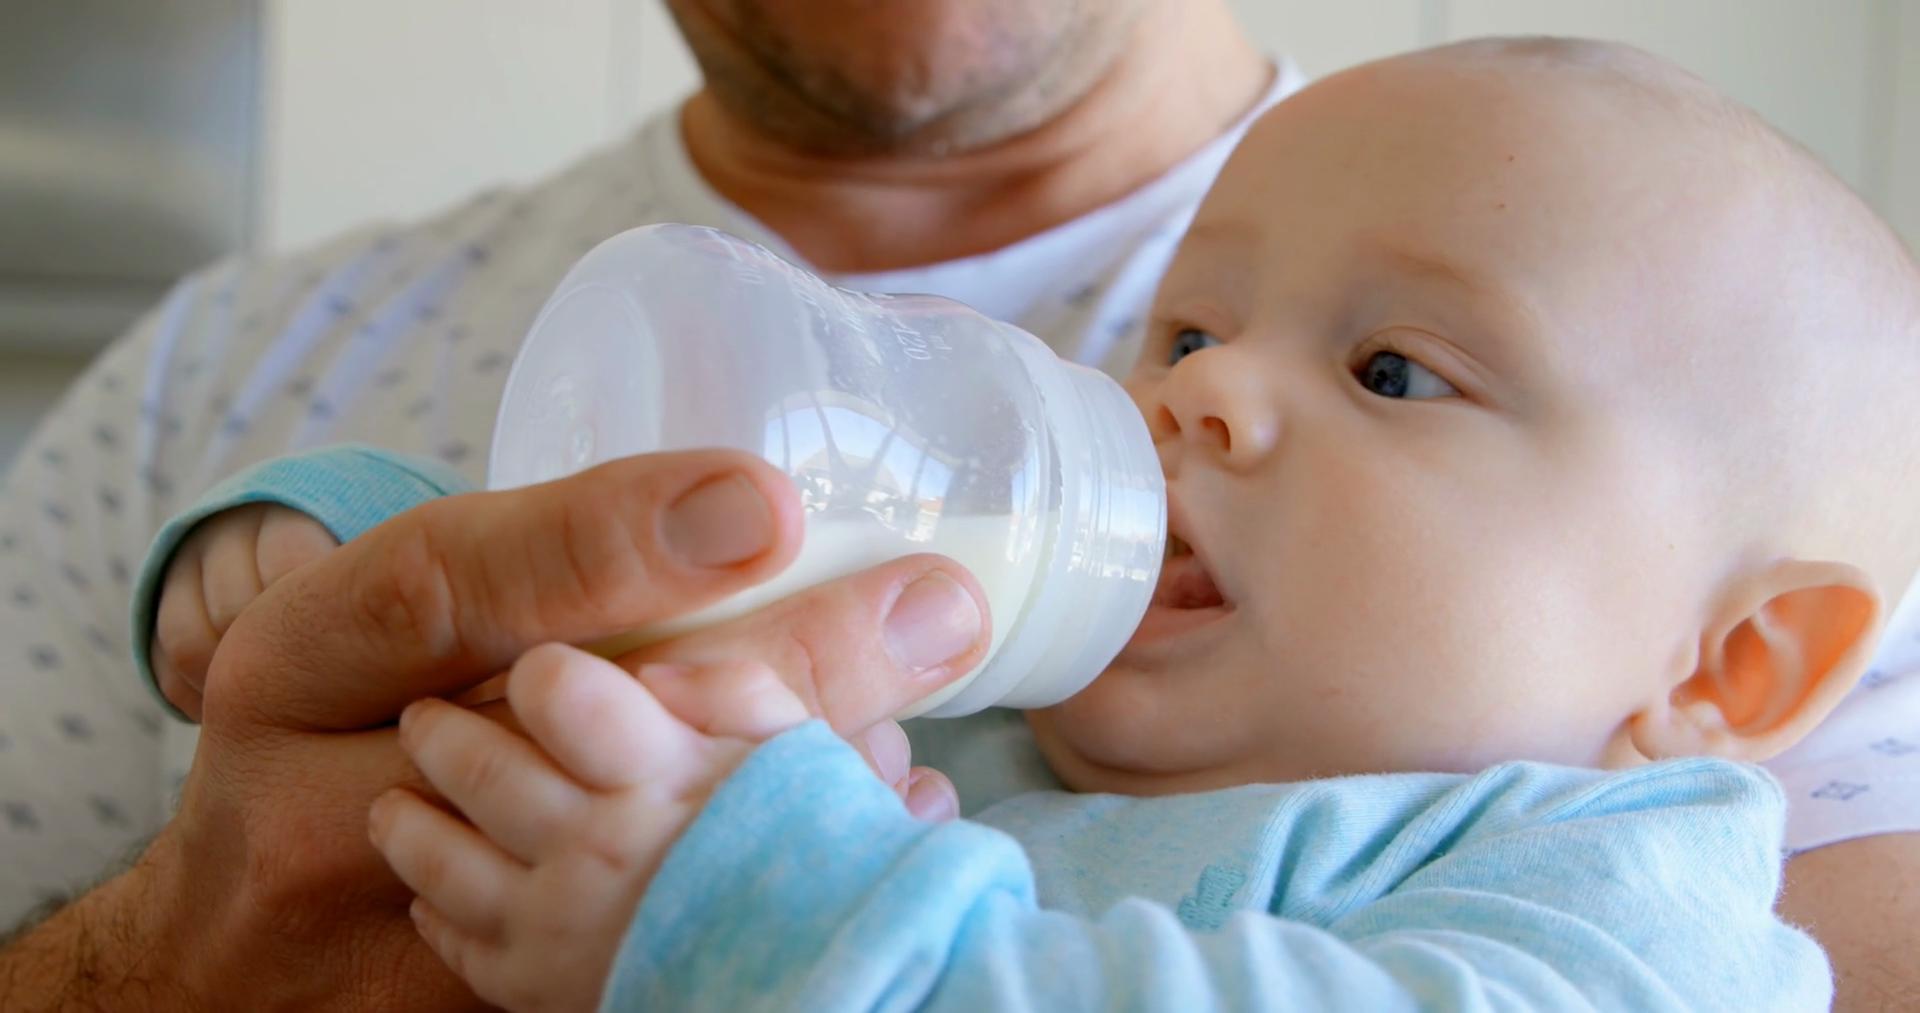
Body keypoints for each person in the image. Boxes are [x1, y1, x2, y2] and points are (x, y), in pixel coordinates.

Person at [0, 0, 1907, 1007]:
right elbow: (618, 583)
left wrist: (767, 919)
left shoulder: (1617, 903)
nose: (1197, 396)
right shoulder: (988, 720)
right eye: (1188, 330)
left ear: (1732, 668)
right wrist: (358, 547)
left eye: (1396, 372)